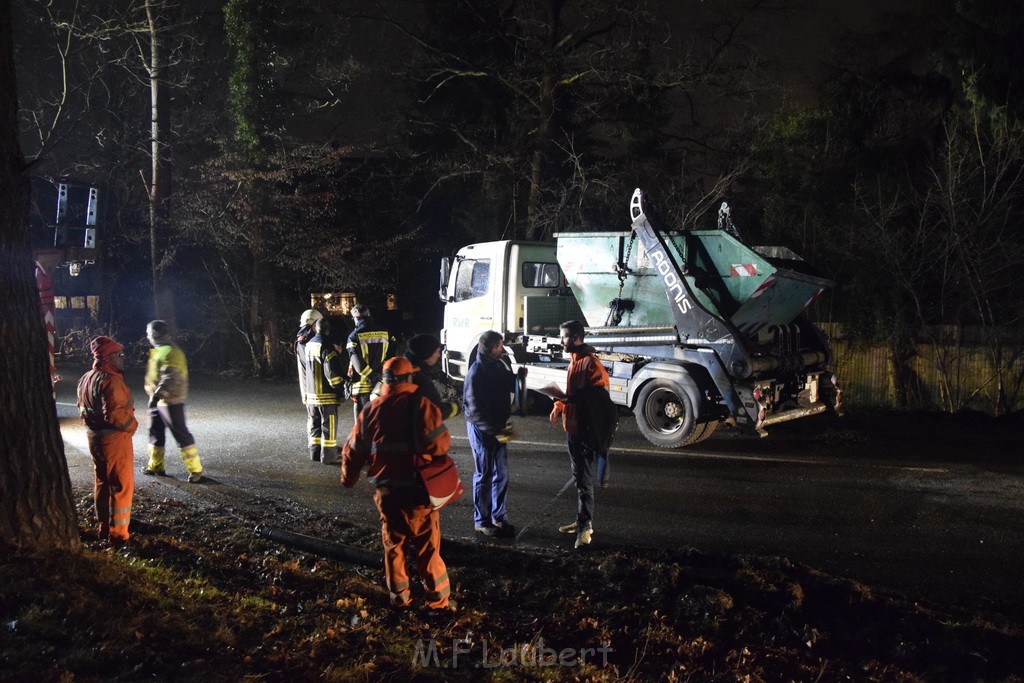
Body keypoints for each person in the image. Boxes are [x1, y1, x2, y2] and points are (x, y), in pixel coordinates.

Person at [340, 357, 453, 610]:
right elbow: (441, 444)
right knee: (427, 548)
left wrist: (348, 479)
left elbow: (352, 450)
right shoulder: (421, 406)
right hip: (419, 493)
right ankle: (438, 603)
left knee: (394, 547)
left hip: (388, 492)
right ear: (408, 378)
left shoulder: (370, 409)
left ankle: (400, 600)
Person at [549, 320, 610, 549]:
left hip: (584, 432)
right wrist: (560, 404)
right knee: (579, 478)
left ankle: (585, 529)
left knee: (584, 481)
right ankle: (581, 520)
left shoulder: (591, 364)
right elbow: (574, 394)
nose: (560, 340)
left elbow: (597, 400)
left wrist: (569, 400)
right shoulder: (574, 361)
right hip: (573, 431)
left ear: (576, 337)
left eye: (563, 336)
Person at [77, 336, 138, 546]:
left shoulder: (87, 377)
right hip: (114, 441)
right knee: (120, 486)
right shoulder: (110, 380)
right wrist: (132, 425)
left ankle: (103, 527)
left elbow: (82, 409)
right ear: (109, 357)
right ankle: (119, 536)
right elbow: (115, 415)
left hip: (94, 438)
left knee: (102, 483)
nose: (122, 359)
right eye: (119, 355)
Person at [463, 331, 523, 538]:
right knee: (485, 474)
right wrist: (493, 430)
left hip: (497, 427)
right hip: (483, 430)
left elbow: (507, 382)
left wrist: (518, 378)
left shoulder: (496, 365)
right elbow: (474, 409)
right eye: (500, 346)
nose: (503, 349)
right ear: (491, 349)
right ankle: (482, 521)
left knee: (502, 473)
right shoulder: (477, 372)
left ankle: (499, 516)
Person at [144, 320, 204, 483]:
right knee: (155, 434)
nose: (147, 335)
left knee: (181, 434)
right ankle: (156, 466)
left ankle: (195, 470)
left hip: (170, 401)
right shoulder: (161, 350)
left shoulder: (170, 352)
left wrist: (156, 396)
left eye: (148, 332)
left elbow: (171, 378)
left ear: (156, 334)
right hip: (159, 400)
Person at [303, 317, 348, 464]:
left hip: (311, 394)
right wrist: (340, 390)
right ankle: (328, 456)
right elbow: (332, 375)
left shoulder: (308, 344)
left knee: (314, 425)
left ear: (316, 329)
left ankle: (314, 453)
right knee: (329, 426)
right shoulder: (327, 347)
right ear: (328, 330)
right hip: (326, 395)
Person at [346, 303, 395, 421]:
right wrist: (381, 374)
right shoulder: (386, 333)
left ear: (356, 318)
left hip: (362, 386)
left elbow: (357, 363)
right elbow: (392, 354)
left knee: (362, 424)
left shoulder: (354, 336)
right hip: (381, 384)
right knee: (380, 420)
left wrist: (372, 376)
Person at [404, 333, 460, 421]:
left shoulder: (401, 371)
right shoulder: (421, 381)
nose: (438, 355)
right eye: (437, 351)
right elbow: (438, 413)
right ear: (427, 354)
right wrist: (457, 406)